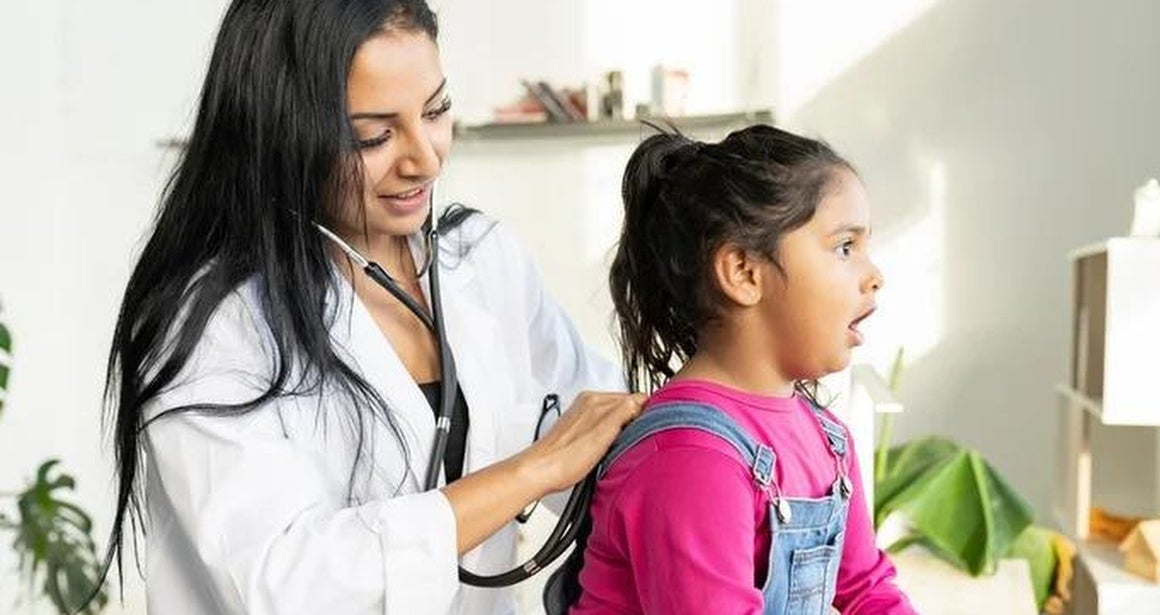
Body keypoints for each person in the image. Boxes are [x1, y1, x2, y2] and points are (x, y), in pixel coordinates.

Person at [97, 1, 644, 613]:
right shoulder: (215, 324)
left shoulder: (483, 262)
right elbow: (286, 582)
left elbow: (601, 433)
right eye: (374, 136)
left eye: (435, 111)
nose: (426, 158)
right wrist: (530, 471)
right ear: (283, 133)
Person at [569, 125, 916, 614]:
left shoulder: (827, 439)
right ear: (744, 273)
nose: (873, 274)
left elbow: (869, 590)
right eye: (844, 247)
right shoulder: (689, 456)